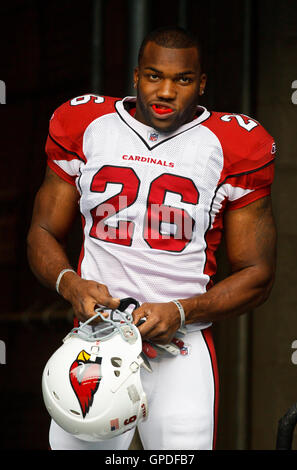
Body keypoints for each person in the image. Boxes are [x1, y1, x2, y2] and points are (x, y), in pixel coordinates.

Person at [27, 26, 277, 450]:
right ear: (136, 75)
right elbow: (42, 231)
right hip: (96, 339)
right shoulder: (86, 123)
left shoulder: (235, 144)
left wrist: (182, 310)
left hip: (181, 347)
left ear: (201, 84)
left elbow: (258, 274)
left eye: (181, 80)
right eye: (153, 76)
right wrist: (71, 284)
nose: (165, 91)